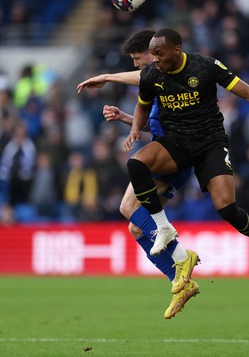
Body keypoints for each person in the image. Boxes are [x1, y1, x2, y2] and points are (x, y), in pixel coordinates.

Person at [123, 27, 249, 270]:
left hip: (210, 143)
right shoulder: (152, 74)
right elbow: (142, 106)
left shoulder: (204, 66)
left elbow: (246, 91)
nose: (156, 60)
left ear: (177, 50)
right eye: (153, 54)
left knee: (226, 208)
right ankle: (163, 226)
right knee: (136, 163)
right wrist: (134, 128)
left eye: (160, 54)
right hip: (175, 143)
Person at [77, 29, 200, 319]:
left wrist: (107, 76)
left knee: (128, 207)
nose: (136, 65)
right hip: (170, 151)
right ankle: (180, 281)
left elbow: (140, 78)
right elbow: (157, 124)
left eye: (137, 58)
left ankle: (182, 258)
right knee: (135, 226)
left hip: (174, 154)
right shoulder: (157, 83)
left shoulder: (166, 72)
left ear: (154, 51)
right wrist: (126, 119)